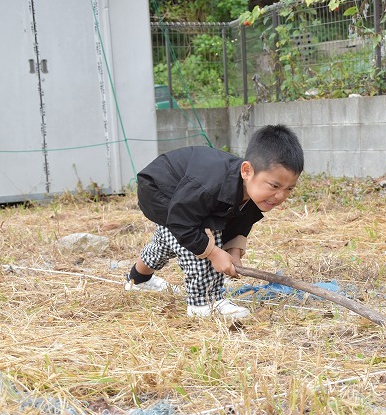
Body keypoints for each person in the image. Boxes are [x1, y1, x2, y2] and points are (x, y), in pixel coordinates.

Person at [125, 124, 304, 320]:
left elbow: (242, 222)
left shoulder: (251, 190)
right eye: (275, 185)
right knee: (196, 239)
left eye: (289, 189)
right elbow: (181, 221)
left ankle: (138, 279)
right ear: (247, 171)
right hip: (158, 189)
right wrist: (213, 253)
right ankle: (203, 302)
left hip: (183, 199)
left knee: (167, 240)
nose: (280, 196)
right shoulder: (208, 186)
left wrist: (233, 252)